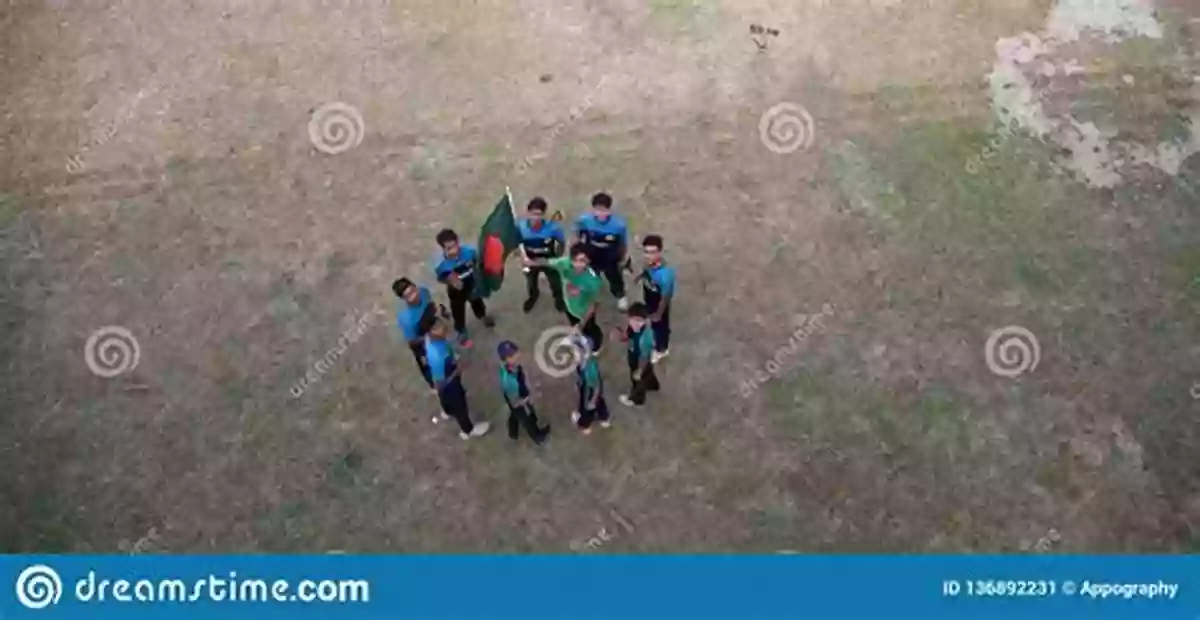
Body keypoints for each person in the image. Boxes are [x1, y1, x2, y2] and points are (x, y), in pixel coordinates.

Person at [524, 243, 604, 353]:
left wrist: (581, 323)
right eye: (578, 260)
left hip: (584, 312)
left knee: (591, 330)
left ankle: (596, 347)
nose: (581, 264)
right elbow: (547, 262)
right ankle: (578, 336)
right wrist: (531, 262)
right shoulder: (564, 263)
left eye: (584, 261)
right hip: (569, 305)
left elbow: (594, 304)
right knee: (573, 323)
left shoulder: (593, 281)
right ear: (571, 259)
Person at [423, 314, 490, 440]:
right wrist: (460, 368)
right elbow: (441, 380)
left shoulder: (431, 341)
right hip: (449, 382)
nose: (442, 327)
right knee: (459, 404)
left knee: (445, 398)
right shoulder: (438, 357)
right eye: (437, 328)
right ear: (430, 332)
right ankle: (468, 430)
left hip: (445, 377)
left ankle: (447, 411)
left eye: (440, 324)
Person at [433, 229, 495, 348]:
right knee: (458, 311)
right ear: (443, 249)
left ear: (458, 242)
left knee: (477, 302)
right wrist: (450, 281)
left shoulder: (469, 252)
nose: (453, 250)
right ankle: (461, 330)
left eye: (454, 246)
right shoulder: (441, 265)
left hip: (471, 284)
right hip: (456, 291)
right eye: (448, 248)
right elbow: (440, 278)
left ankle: (483, 316)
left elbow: (478, 264)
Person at [574, 192, 630, 310]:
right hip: (592, 253)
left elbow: (623, 243)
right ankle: (591, 295)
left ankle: (620, 296)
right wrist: (579, 250)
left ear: (610, 210)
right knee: (590, 275)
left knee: (614, 277)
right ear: (593, 209)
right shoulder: (585, 220)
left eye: (604, 210)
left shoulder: (619, 225)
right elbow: (577, 233)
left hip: (610, 254)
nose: (601, 214)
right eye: (598, 210)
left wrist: (622, 258)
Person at [518, 197, 567, 314]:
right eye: (533, 214)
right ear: (528, 213)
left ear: (544, 214)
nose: (536, 218)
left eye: (539, 214)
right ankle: (533, 297)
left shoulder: (553, 228)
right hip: (529, 260)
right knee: (531, 283)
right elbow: (516, 243)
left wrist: (558, 256)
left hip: (548, 260)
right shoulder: (520, 227)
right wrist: (521, 257)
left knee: (556, 283)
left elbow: (561, 242)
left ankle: (559, 301)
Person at [497, 340, 550, 444]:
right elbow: (515, 402)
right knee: (527, 419)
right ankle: (538, 437)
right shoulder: (509, 380)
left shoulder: (507, 366)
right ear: (507, 358)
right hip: (518, 399)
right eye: (514, 355)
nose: (518, 355)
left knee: (514, 414)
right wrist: (530, 397)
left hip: (515, 394)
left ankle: (513, 432)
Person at [393, 277, 439, 392]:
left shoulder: (424, 291)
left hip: (432, 330)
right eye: (408, 295)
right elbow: (412, 341)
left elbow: (431, 305)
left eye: (413, 290)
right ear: (403, 299)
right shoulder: (405, 318)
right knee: (428, 366)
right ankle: (434, 384)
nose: (414, 296)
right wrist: (430, 337)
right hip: (421, 344)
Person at [636, 235, 676, 363]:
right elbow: (646, 272)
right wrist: (640, 277)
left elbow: (666, 296)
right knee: (654, 324)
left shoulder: (665, 274)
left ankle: (662, 349)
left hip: (659, 302)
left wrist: (659, 314)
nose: (649, 256)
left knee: (661, 326)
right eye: (646, 252)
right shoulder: (648, 263)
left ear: (660, 251)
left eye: (653, 252)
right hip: (649, 297)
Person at [617, 302, 660, 407]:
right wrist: (621, 337)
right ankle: (652, 385)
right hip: (633, 355)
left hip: (640, 361)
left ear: (645, 320)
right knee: (648, 374)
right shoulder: (631, 328)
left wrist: (639, 371)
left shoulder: (646, 336)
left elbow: (644, 357)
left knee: (637, 380)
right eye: (633, 319)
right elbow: (628, 337)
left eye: (639, 321)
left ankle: (637, 399)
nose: (635, 323)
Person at [569, 335, 610, 434]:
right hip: (587, 386)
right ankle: (604, 418)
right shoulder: (582, 363)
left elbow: (596, 387)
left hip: (590, 391)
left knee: (588, 407)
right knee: (598, 403)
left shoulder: (589, 367)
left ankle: (586, 424)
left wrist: (592, 400)